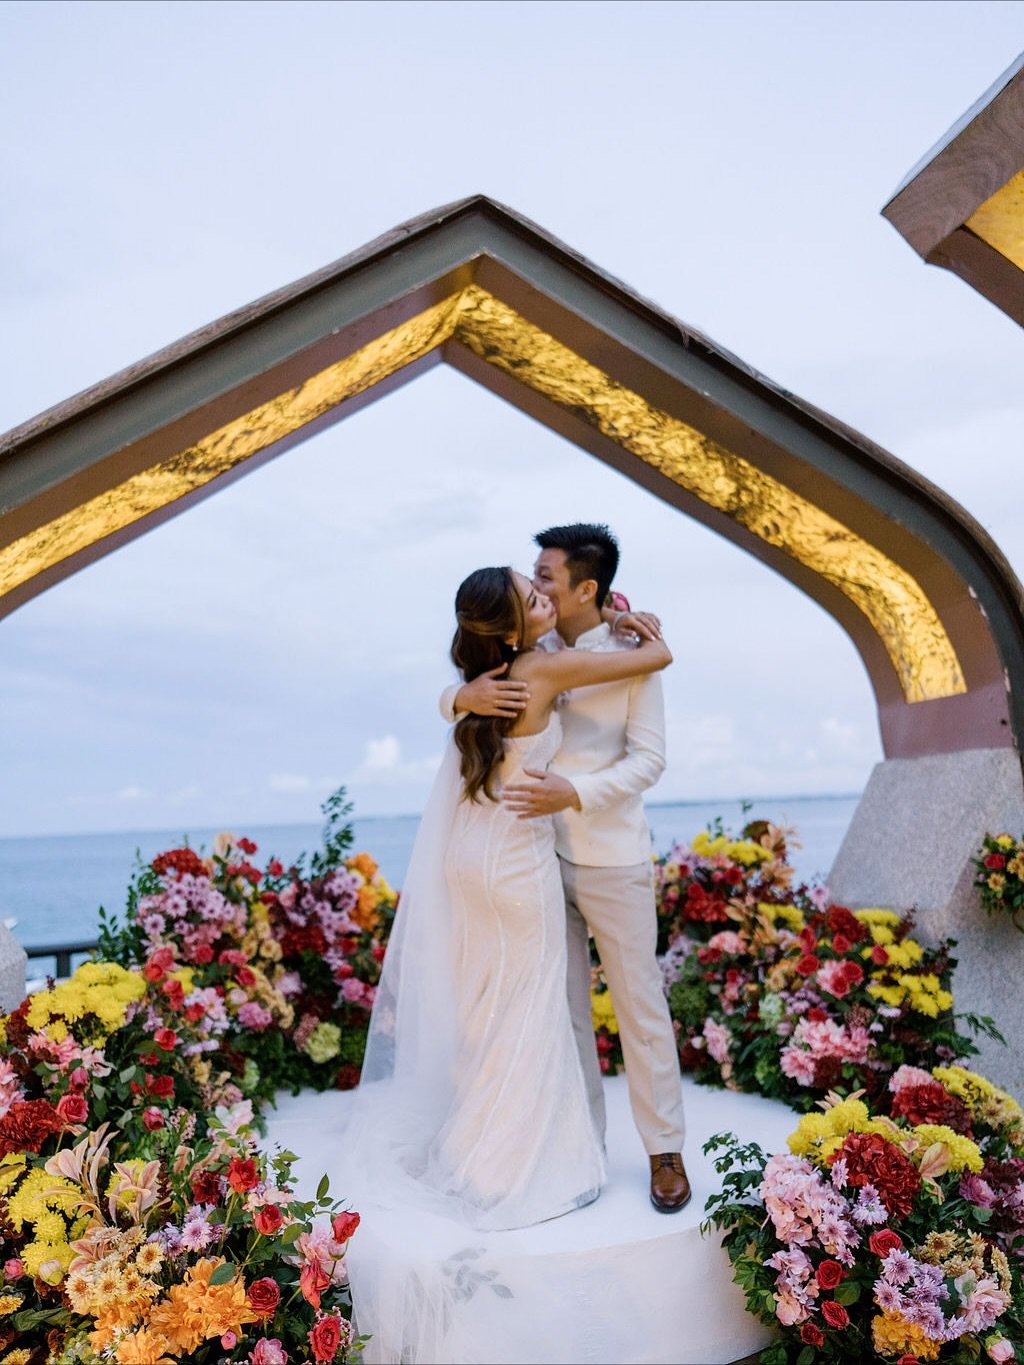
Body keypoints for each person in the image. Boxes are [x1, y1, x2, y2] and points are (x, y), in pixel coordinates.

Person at [349, 563, 672, 1235]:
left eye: (541, 585)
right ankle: (513, 1167)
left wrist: (457, 694)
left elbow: (459, 697)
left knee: (487, 1008)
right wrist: (626, 620)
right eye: (532, 596)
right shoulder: (542, 668)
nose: (544, 597)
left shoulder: (489, 679)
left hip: (469, 851)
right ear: (512, 626)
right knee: (528, 1007)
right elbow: (658, 656)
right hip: (517, 860)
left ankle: (478, 1150)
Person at [441, 524, 690, 1213]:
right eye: (536, 577)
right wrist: (457, 699)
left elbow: (650, 760)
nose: (538, 586)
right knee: (566, 1012)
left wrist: (575, 792)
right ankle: (583, 1144)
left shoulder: (635, 652)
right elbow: (465, 683)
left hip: (613, 857)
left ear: (587, 588)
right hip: (538, 858)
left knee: (640, 1007)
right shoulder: (532, 646)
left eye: (546, 576)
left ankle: (665, 1150)